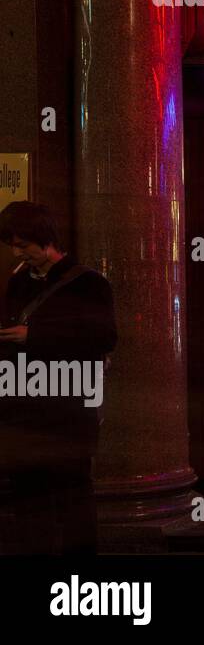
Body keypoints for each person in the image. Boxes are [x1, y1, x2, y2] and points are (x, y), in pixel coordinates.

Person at [0, 201, 117, 554]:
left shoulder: (89, 283)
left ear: (46, 239)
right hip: (25, 407)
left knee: (71, 495)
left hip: (67, 410)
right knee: (27, 499)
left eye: (24, 245)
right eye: (13, 245)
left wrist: (33, 336)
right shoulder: (19, 280)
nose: (18, 252)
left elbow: (103, 338)